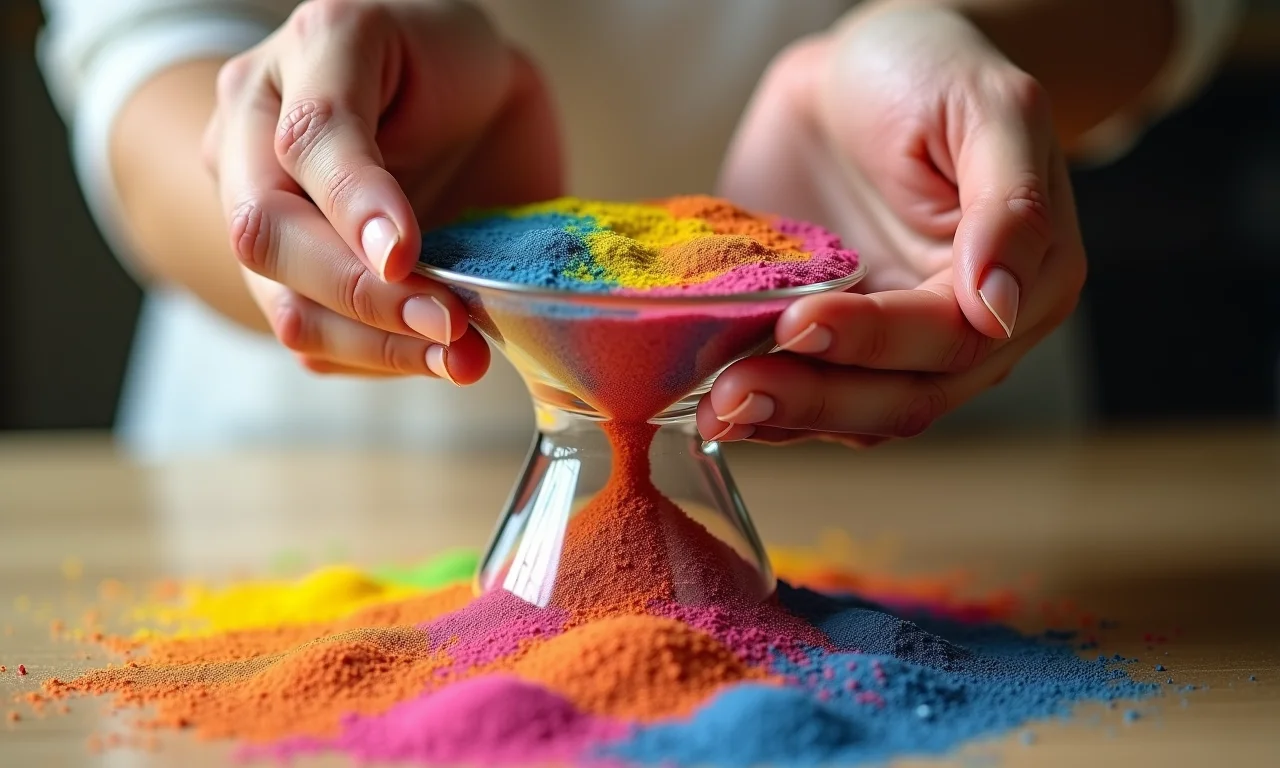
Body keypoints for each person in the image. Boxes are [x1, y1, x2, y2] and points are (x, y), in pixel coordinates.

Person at [37, 0, 1243, 459]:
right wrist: (300, 181)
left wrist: (961, 59)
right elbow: (138, 47)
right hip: (307, 485)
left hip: (924, 408)